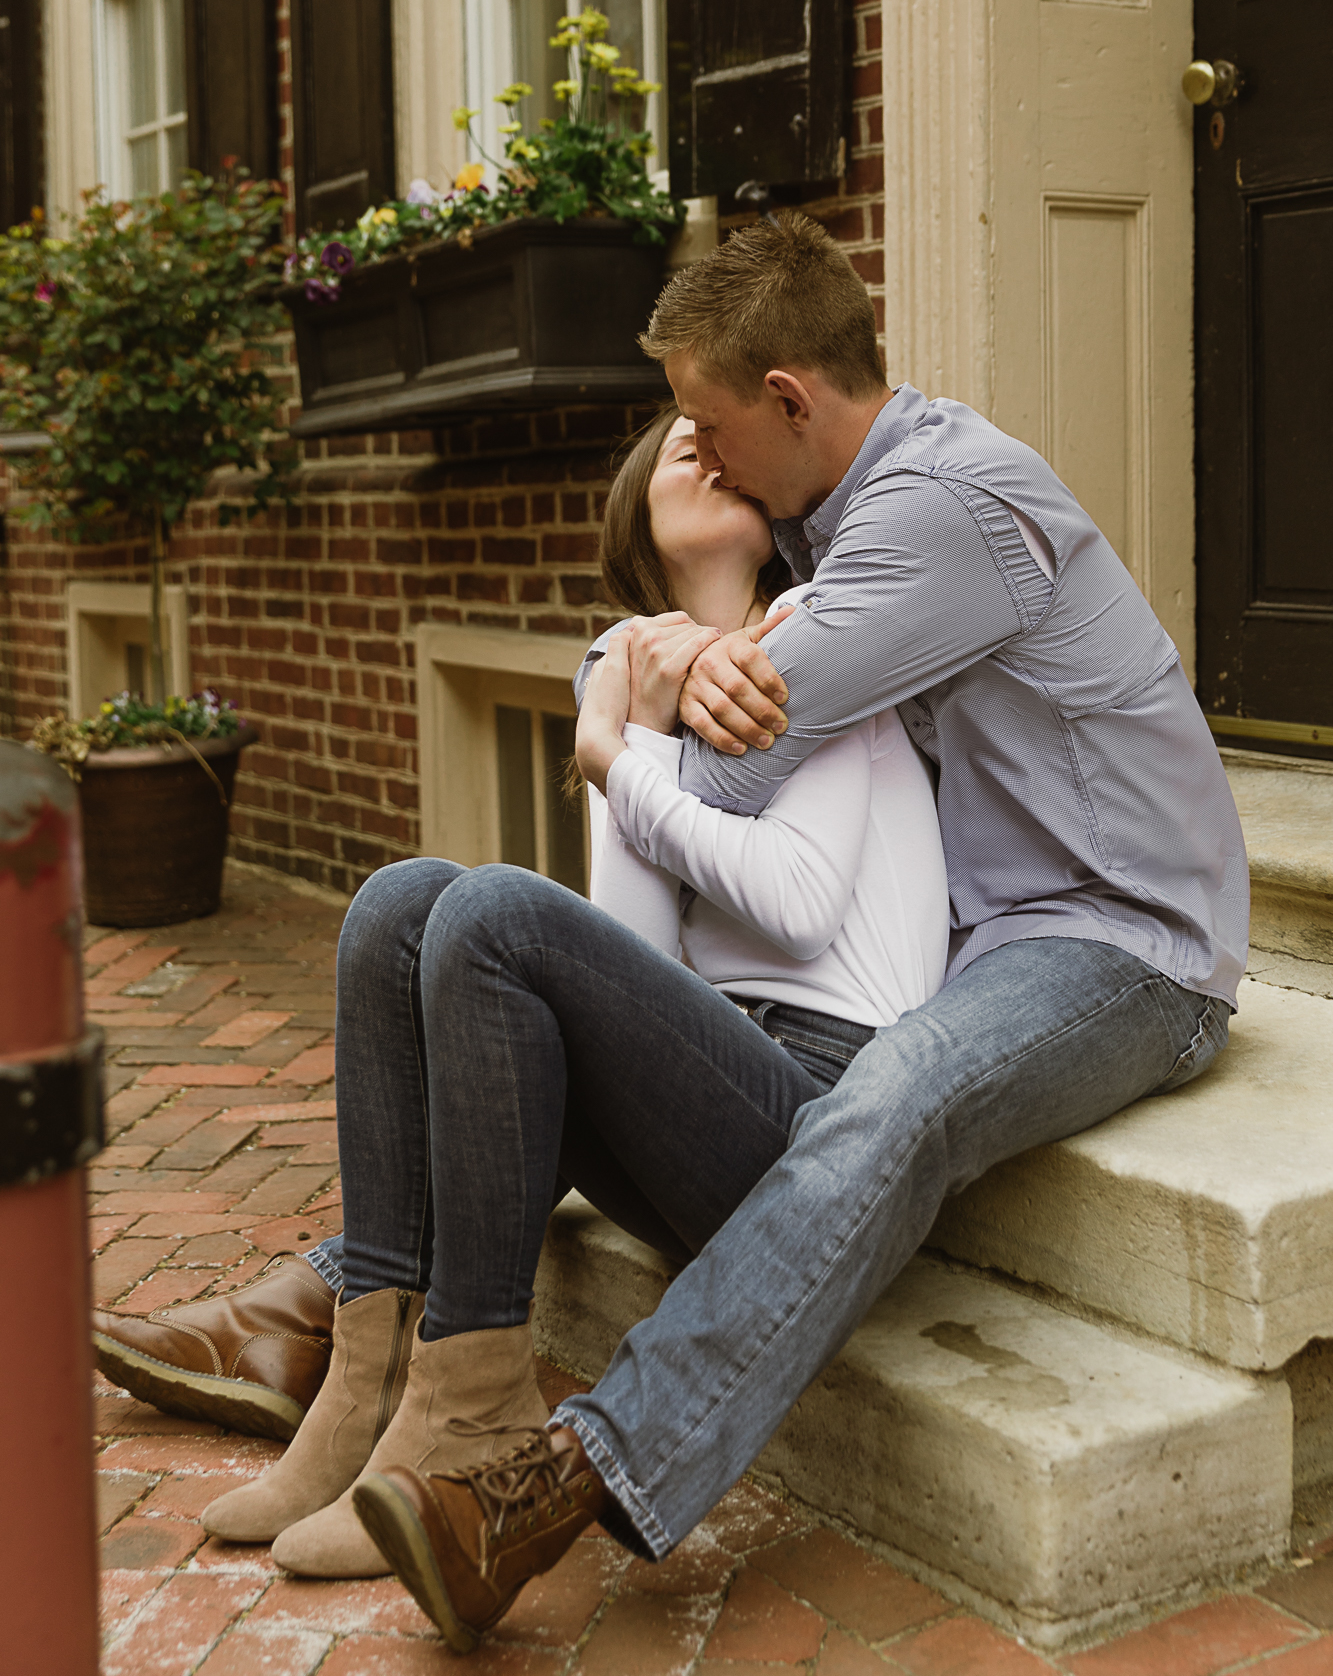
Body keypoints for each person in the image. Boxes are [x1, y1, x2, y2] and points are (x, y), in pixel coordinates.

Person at [342, 212, 1249, 1654]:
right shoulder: (833, 519)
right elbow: (708, 735)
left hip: (1121, 939)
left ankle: (558, 1483)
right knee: (439, 931)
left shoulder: (934, 508)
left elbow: (740, 767)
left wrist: (628, 689)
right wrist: (664, 664)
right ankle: (354, 1312)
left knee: (896, 1092)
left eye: (702, 426)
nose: (689, 458)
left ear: (788, 399)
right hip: (991, 929)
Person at [96, 389, 948, 1582]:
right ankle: (368, 1378)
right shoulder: (638, 670)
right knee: (401, 901)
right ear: (636, 519)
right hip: (706, 1101)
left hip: (819, 1119)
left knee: (494, 912)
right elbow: (637, 951)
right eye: (671, 437)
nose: (695, 435)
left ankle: (468, 1409)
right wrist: (638, 721)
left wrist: (618, 755)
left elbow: (801, 900)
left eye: (717, 428)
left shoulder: (813, 631)